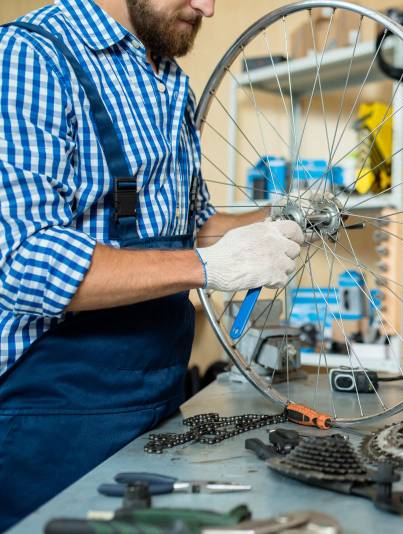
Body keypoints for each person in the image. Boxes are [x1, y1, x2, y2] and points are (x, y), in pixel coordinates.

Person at [0, 0, 304, 528]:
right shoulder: (30, 56)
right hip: (52, 415)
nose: (207, 7)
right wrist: (206, 266)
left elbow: (194, 228)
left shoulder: (169, 81)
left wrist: (282, 217)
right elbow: (24, 262)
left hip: (156, 399)